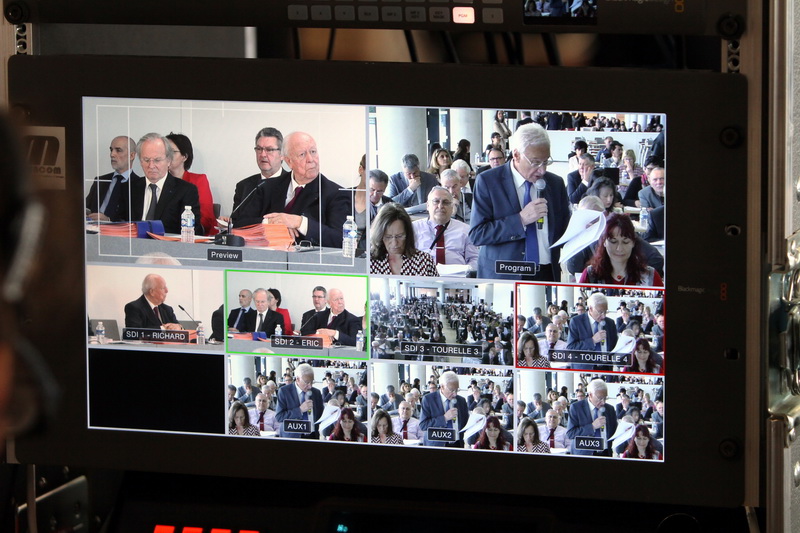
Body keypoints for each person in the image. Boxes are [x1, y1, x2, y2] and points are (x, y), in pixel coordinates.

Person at [469, 123, 570, 280]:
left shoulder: (555, 184)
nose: (542, 170)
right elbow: (477, 234)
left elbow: (563, 230)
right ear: (516, 155)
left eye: (546, 161)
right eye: (536, 162)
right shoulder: (488, 181)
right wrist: (520, 219)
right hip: (504, 274)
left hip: (546, 272)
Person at [240, 131, 352, 248]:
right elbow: (240, 223)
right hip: (267, 259)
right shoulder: (268, 186)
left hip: (308, 263)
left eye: (313, 152)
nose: (310, 159)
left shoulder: (336, 193)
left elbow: (341, 240)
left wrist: (300, 222)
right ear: (289, 161)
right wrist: (274, 223)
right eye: (302, 154)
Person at [124, 132, 203, 235]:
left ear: (169, 161)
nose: (151, 166)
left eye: (157, 160)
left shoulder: (186, 191)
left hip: (169, 248)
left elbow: (193, 232)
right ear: (140, 161)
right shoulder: (129, 188)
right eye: (146, 160)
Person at [579, 214, 664, 286]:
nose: (619, 248)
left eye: (625, 242)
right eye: (613, 242)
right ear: (604, 242)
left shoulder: (650, 276)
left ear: (633, 243)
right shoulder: (590, 274)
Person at [229, 127, 289, 227]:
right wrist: (228, 223)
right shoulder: (243, 186)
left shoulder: (292, 183)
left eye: (269, 150)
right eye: (259, 149)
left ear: (282, 154)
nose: (262, 155)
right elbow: (236, 223)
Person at [412, 187, 479, 271]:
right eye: (436, 201)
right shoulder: (413, 228)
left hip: (457, 279)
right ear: (428, 206)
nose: (440, 206)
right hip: (422, 278)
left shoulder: (466, 230)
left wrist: (466, 273)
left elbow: (474, 259)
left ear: (452, 207)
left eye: (445, 202)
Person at [165, 132, 217, 235]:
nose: (167, 156)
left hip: (193, 236)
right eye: (165, 152)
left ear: (184, 156)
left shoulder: (198, 180)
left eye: (172, 152)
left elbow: (206, 218)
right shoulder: (159, 182)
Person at [370, 203, 438, 276]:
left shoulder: (424, 261)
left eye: (399, 236)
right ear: (379, 236)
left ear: (408, 234)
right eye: (388, 237)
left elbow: (436, 287)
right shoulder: (369, 261)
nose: (394, 243)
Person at [85, 135, 141, 221]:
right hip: (92, 230)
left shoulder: (139, 185)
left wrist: (108, 220)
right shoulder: (100, 180)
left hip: (118, 233)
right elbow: (86, 207)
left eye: (118, 150)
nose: (112, 154)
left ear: (132, 155)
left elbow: (135, 220)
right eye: (111, 150)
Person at [566, 292, 619, 370]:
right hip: (584, 369)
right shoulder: (576, 322)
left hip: (606, 368)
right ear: (591, 308)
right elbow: (571, 347)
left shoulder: (610, 323)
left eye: (605, 312)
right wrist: (592, 341)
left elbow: (614, 346)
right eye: (600, 312)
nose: (603, 316)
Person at [567, 378, 618, 456]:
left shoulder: (610, 409)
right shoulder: (576, 408)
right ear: (590, 395)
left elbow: (614, 432)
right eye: (600, 398)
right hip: (584, 454)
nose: (603, 402)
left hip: (605, 453)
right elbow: (571, 433)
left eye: (605, 398)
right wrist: (592, 426)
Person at [419, 370, 470, 447]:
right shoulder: (428, 400)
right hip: (436, 445)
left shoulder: (461, 401)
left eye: (457, 390)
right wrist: (444, 418)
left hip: (457, 444)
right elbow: (423, 425)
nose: (455, 394)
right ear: (442, 387)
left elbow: (465, 423)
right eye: (452, 390)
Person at [275, 363, 325, 439]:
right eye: (307, 382)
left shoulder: (316, 393)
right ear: (298, 379)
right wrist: (300, 410)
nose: (310, 386)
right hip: (292, 437)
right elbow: (279, 416)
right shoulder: (284, 392)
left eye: (312, 382)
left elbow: (320, 415)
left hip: (312, 436)